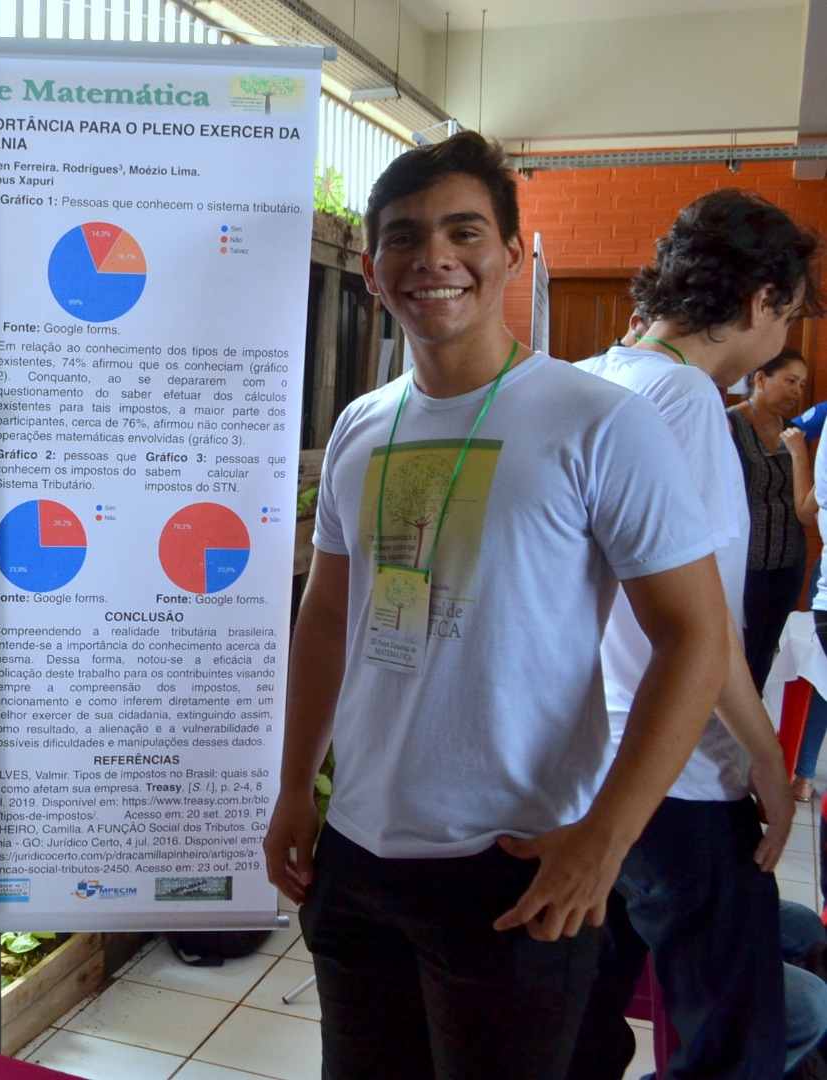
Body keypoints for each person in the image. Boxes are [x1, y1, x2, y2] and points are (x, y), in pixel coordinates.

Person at [262, 131, 729, 1079]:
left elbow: (696, 636)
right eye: (403, 236)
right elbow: (327, 617)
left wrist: (608, 837)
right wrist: (293, 785)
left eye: (463, 231)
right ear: (372, 269)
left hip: (514, 860)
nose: (432, 256)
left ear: (512, 254)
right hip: (357, 854)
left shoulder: (600, 422)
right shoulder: (361, 424)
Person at [571, 189, 820, 1080]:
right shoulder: (683, 400)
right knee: (735, 1040)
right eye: (788, 315)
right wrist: (767, 762)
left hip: (587, 768)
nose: (782, 336)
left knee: (584, 1023)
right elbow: (701, 624)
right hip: (677, 774)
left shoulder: (593, 376)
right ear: (760, 300)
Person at [727, 347, 813, 695]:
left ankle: (756, 712)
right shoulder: (730, 424)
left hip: (789, 559)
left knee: (768, 649)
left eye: (802, 384)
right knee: (739, 649)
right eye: (790, 381)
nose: (797, 391)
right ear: (761, 379)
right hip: (745, 561)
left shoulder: (794, 432)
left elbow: (805, 500)